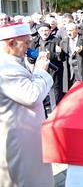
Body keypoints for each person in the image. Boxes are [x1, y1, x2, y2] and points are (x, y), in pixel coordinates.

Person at [0, 22, 54, 187]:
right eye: (26, 43)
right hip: (19, 136)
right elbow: (32, 95)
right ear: (11, 43)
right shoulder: (5, 68)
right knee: (25, 179)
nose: (30, 46)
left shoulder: (14, 61)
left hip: (29, 132)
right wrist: (41, 71)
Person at [59, 22, 83, 92]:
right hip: (70, 73)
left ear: (76, 30)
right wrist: (58, 53)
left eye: (70, 30)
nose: (68, 33)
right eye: (67, 31)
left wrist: (82, 51)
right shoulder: (63, 42)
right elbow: (61, 59)